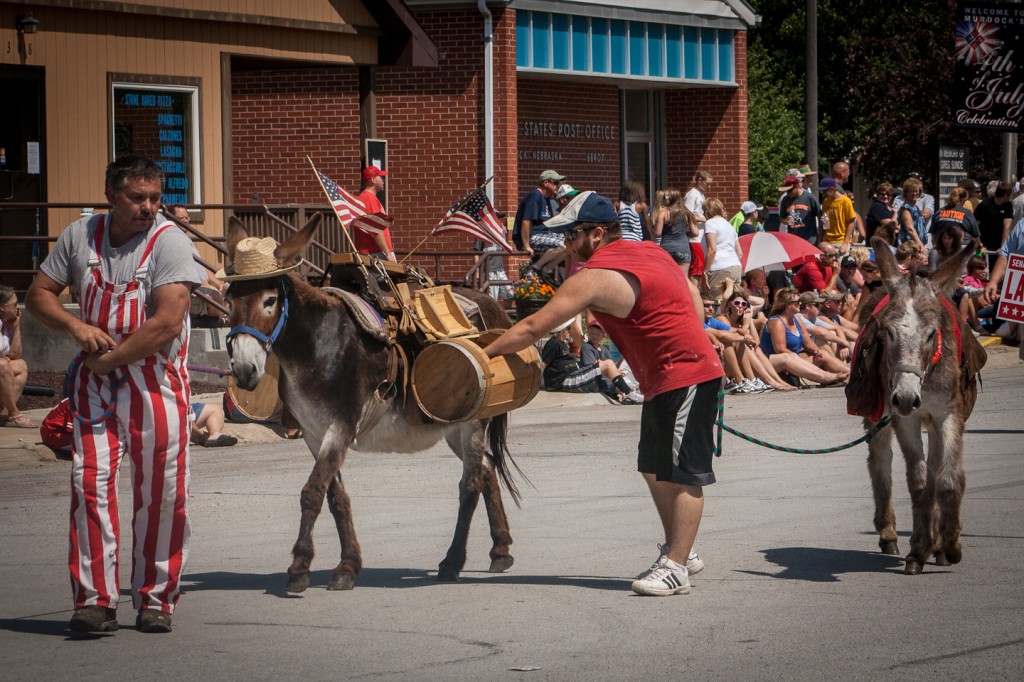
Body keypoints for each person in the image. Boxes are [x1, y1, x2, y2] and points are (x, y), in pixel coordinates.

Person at [483, 190, 723, 597]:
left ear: (595, 235)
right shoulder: (653, 251)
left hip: (686, 375)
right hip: (667, 375)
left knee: (685, 473)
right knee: (652, 466)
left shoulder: (593, 277)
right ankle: (682, 546)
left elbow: (531, 328)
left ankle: (677, 567)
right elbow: (695, 301)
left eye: (570, 236)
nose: (564, 245)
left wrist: (478, 354)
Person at [26, 155, 200, 634]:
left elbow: (166, 322)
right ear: (111, 196)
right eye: (137, 198)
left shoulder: (171, 243)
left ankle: (156, 599)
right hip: (94, 384)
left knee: (162, 492)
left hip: (155, 381)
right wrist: (76, 327)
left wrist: (112, 358)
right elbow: (39, 293)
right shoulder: (79, 238)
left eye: (154, 198)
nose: (148, 207)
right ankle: (95, 601)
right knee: (89, 484)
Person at [758, 289, 848, 385]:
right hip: (774, 362)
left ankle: (852, 373)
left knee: (823, 354)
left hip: (794, 358)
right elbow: (780, 350)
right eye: (797, 302)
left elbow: (807, 342)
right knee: (789, 357)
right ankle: (825, 377)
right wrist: (800, 361)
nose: (800, 304)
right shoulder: (776, 322)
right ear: (787, 304)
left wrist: (815, 350)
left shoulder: (796, 319)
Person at [541, 319, 641, 404]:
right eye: (568, 329)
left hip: (572, 375)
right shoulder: (553, 344)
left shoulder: (561, 344)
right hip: (565, 380)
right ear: (562, 330)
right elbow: (543, 365)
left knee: (618, 365)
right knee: (608, 365)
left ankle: (629, 392)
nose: (568, 331)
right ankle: (628, 393)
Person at [513, 170, 566, 275]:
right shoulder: (534, 196)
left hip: (545, 235)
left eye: (559, 183)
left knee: (571, 244)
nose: (558, 186)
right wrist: (526, 245)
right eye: (555, 182)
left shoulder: (547, 199)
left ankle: (546, 269)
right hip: (535, 236)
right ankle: (535, 268)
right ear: (546, 183)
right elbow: (526, 221)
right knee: (562, 244)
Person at [0, 285, 35, 428]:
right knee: (2, 365)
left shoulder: (7, 325)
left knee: (20, 365)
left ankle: (5, 413)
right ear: (2, 307)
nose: (17, 307)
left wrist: (16, 327)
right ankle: (15, 415)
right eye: (14, 304)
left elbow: (15, 354)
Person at [354, 165, 397, 263]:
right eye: (380, 177)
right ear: (373, 180)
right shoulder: (369, 199)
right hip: (376, 253)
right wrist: (388, 254)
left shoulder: (368, 198)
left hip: (375, 252)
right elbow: (375, 229)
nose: (383, 180)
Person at [703, 198, 744, 295]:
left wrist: (705, 271)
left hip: (719, 267)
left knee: (716, 302)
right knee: (733, 303)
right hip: (735, 266)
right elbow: (740, 253)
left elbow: (712, 250)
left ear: (707, 210)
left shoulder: (710, 223)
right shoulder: (729, 226)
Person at [652, 188, 694, 268]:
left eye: (665, 197)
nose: (663, 199)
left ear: (669, 199)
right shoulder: (686, 213)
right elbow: (695, 232)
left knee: (667, 277)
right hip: (683, 248)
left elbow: (658, 233)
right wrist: (685, 233)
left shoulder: (663, 213)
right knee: (683, 278)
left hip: (667, 248)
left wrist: (652, 230)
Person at [975, 182, 1014, 267]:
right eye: (1011, 195)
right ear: (1006, 195)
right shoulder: (984, 205)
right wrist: (979, 244)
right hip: (983, 244)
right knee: (979, 269)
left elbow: (1007, 226)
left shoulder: (1008, 206)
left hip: (998, 245)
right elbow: (975, 226)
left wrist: (1002, 247)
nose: (1011, 197)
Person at [684, 171, 712, 283]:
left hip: (700, 237)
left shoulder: (700, 194)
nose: (709, 186)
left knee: (698, 268)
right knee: (696, 269)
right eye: (707, 183)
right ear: (699, 180)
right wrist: (704, 219)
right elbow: (687, 215)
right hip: (694, 238)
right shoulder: (692, 195)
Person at [778, 175, 821, 243]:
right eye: (786, 191)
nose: (788, 193)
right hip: (793, 240)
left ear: (797, 186)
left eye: (790, 190)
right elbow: (782, 218)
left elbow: (820, 216)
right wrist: (786, 221)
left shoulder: (810, 198)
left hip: (809, 240)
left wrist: (820, 236)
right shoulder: (785, 200)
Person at [819, 177, 856, 253]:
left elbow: (851, 222)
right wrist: (820, 240)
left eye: (824, 191)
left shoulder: (846, 201)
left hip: (840, 241)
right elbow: (824, 223)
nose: (823, 194)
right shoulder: (826, 201)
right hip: (827, 241)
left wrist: (845, 243)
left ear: (832, 189)